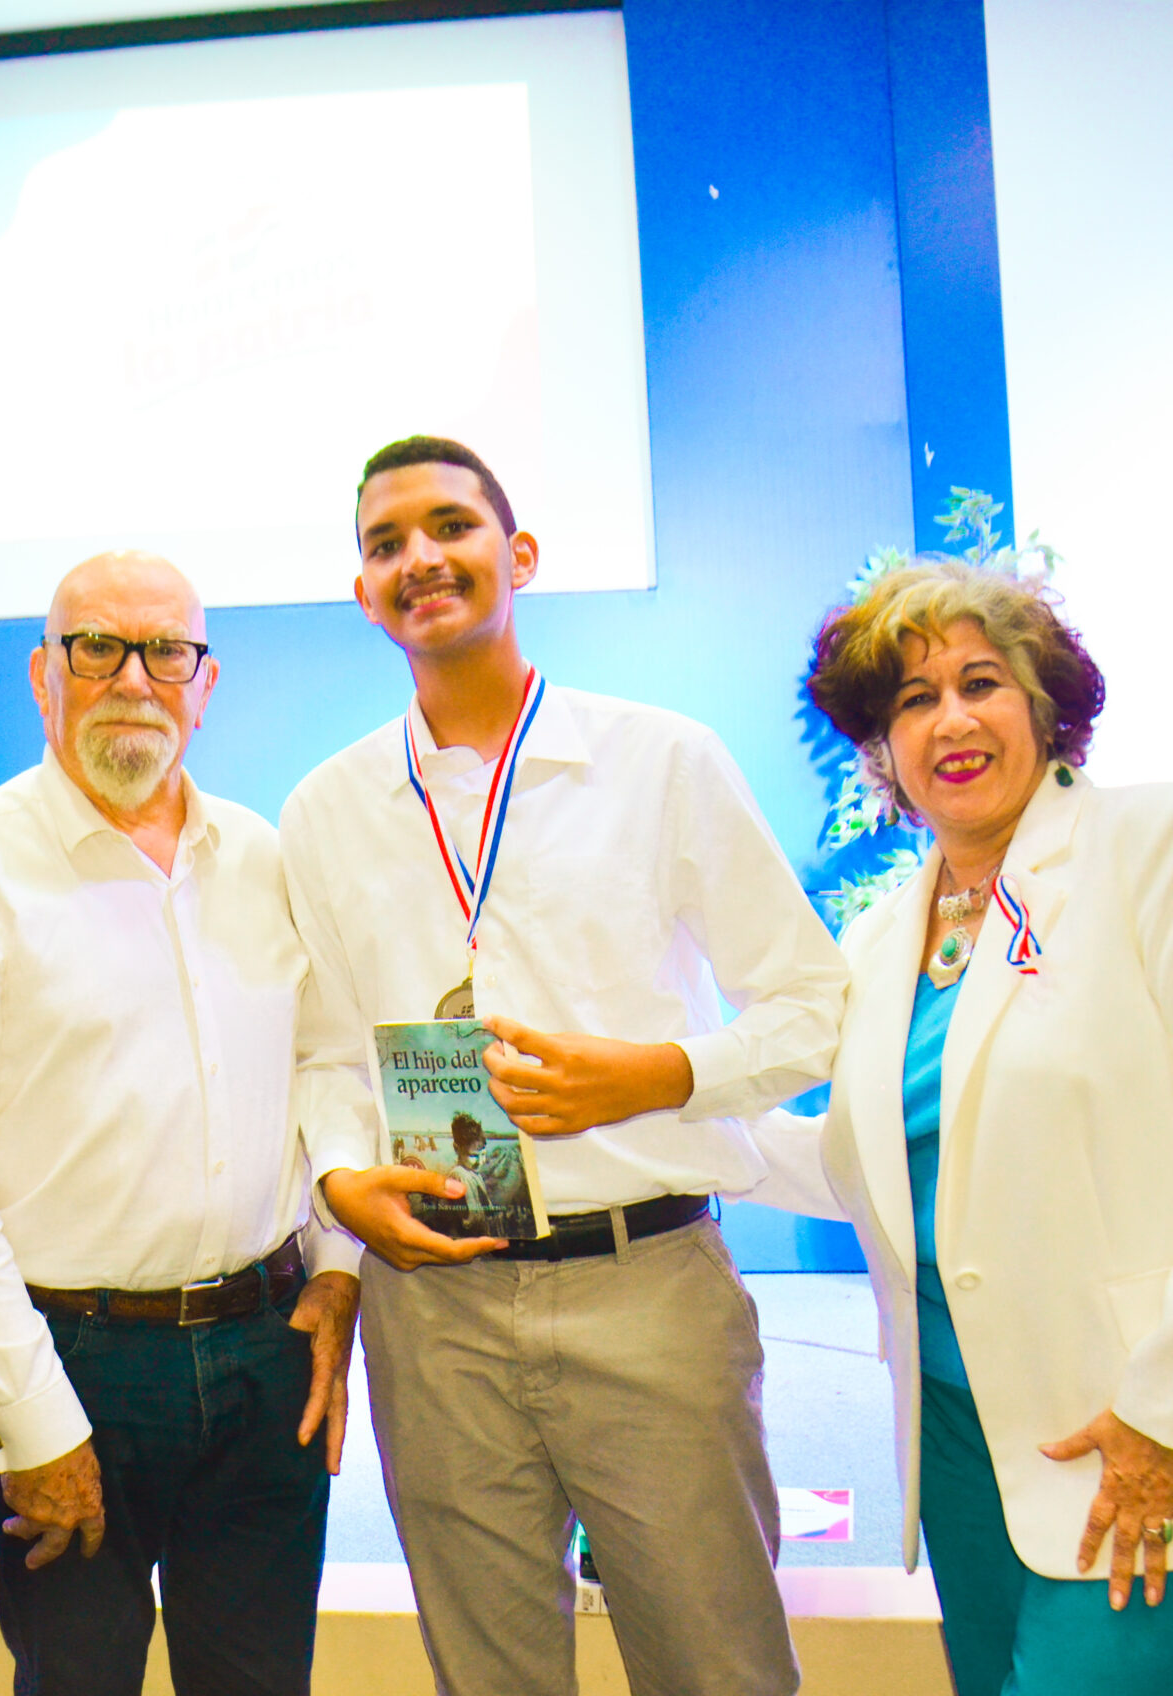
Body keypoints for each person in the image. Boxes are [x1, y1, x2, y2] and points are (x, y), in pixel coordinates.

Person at [277, 436, 849, 1696]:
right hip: (434, 1306)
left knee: (718, 1671)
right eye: (385, 544)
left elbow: (815, 1007)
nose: (421, 559)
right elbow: (325, 1054)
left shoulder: (659, 760)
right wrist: (340, 1183)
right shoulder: (326, 807)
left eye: (451, 526)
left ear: (519, 554)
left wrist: (660, 1074)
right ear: (364, 592)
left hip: (645, 1284)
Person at [751, 561, 1173, 1694]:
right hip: (971, 1447)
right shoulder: (882, 939)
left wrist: (1171, 1416)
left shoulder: (1169, 842)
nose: (952, 719)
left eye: (980, 682)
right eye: (913, 700)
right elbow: (866, 1165)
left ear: (1044, 708)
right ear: (880, 748)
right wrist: (623, 1129)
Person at [0, 551, 360, 1696]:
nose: (132, 678)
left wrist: (338, 1270)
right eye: (96, 647)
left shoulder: (262, 857)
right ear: (42, 674)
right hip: (74, 1362)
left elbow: (328, 1069)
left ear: (206, 682)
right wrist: (30, 1420)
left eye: (166, 651)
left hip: (265, 1351)